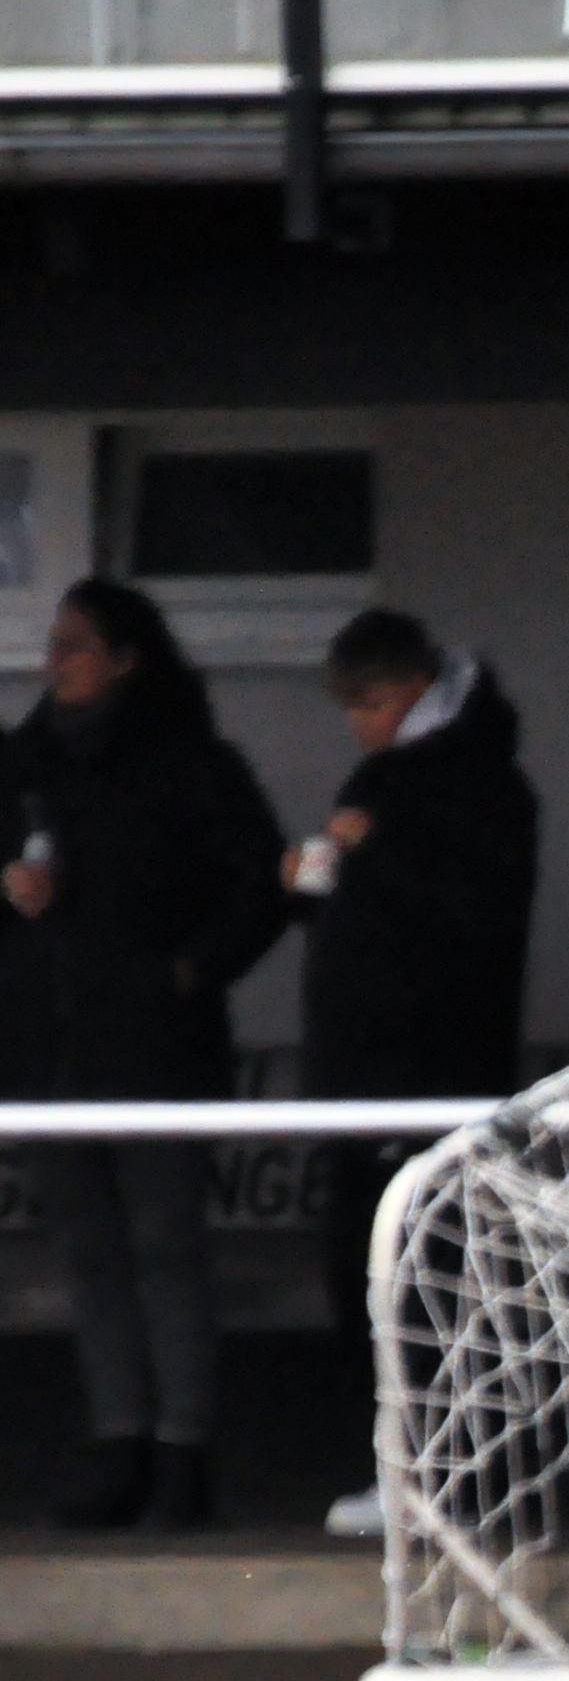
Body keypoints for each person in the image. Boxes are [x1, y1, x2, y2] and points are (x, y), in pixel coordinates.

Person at [1, 580, 286, 1530]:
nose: (55, 662)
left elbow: (259, 882)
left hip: (157, 1048)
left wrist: (190, 973)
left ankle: (182, 1447)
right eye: (53, 644)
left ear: (127, 658)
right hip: (44, 1049)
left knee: (166, 1247)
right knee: (87, 1252)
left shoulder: (191, 764)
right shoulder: (20, 765)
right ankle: (116, 1439)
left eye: (76, 646)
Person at [288, 609, 540, 1538]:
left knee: (420, 1273)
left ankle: (437, 1473)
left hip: (422, 1064)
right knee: (379, 1272)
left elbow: (467, 923)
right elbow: (345, 915)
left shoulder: (474, 787)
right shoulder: (398, 780)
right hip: (369, 1068)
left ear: (405, 691)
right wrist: (315, 876)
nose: (355, 723)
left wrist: (363, 860)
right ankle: (413, 1466)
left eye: (366, 703)